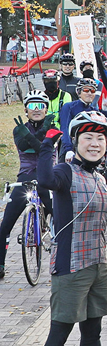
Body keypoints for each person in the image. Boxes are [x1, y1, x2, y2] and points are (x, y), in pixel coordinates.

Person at [36, 111, 107, 346]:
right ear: (76, 141)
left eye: (100, 138)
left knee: (93, 331)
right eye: (88, 137)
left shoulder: (99, 176)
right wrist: (47, 146)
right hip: (70, 266)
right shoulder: (65, 171)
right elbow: (45, 180)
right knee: (58, 335)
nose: (95, 143)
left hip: (97, 264)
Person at [0, 92, 54, 280]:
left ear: (47, 109)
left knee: (61, 219)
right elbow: (24, 147)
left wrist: (42, 131)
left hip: (47, 176)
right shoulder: (18, 129)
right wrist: (39, 134)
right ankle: (0, 264)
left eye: (41, 105)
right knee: (4, 225)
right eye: (32, 106)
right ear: (25, 110)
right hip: (25, 178)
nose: (37, 109)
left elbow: (42, 149)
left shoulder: (53, 128)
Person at [59, 78, 99, 159]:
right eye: (86, 90)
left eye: (93, 91)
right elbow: (64, 128)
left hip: (89, 149)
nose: (90, 93)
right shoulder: (69, 107)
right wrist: (68, 149)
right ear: (78, 92)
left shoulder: (94, 110)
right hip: (71, 148)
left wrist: (106, 111)